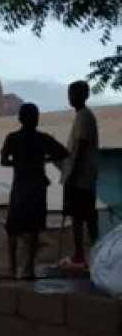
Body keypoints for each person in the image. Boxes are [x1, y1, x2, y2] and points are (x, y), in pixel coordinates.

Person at [0, 103, 68, 279]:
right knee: (34, 228)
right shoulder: (42, 139)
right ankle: (29, 268)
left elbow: (3, 161)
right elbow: (63, 153)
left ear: (20, 119)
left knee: (13, 228)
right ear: (36, 119)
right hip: (37, 187)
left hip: (20, 186)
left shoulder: (12, 138)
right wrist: (43, 159)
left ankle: (12, 269)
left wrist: (19, 163)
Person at [60, 80, 100, 270]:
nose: (71, 97)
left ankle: (80, 257)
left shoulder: (84, 116)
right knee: (87, 216)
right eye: (70, 93)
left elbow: (82, 147)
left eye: (74, 93)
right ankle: (95, 255)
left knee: (80, 217)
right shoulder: (82, 116)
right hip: (84, 178)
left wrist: (72, 176)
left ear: (84, 95)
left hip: (80, 178)